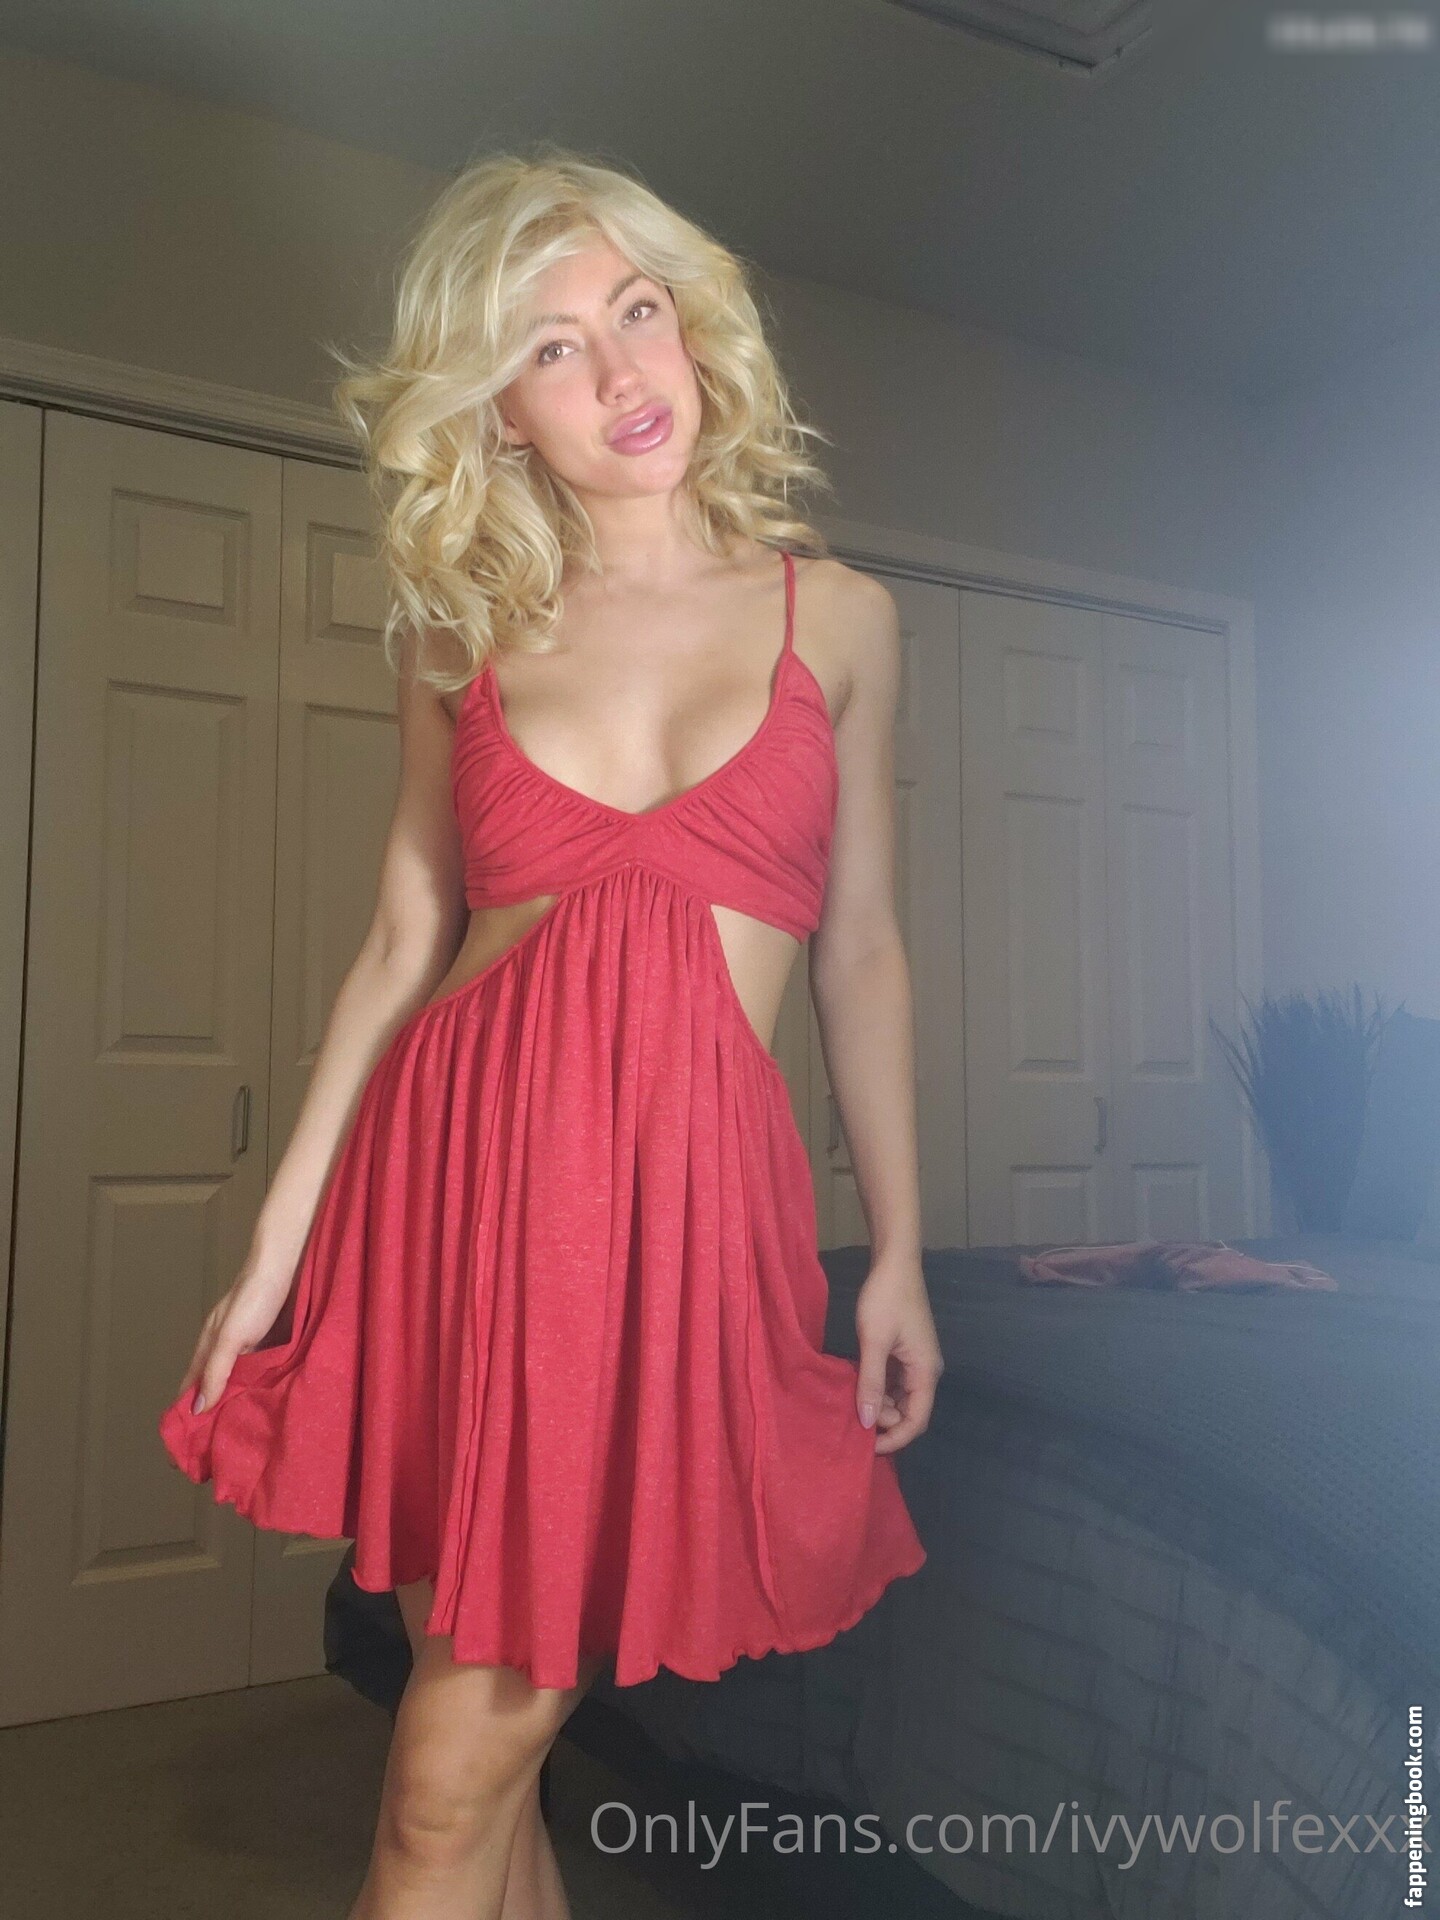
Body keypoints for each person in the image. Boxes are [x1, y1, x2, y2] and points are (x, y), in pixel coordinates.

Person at [158, 145, 943, 1920]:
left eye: (637, 312)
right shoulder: (465, 635)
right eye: (551, 347)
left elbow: (863, 952)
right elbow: (403, 941)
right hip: (454, 1192)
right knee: (475, 1791)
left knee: (448, 1786)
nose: (621, 373)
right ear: (497, 408)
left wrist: (898, 1248)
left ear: (695, 323)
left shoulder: (843, 619)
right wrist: (278, 1248)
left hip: (675, 1218)